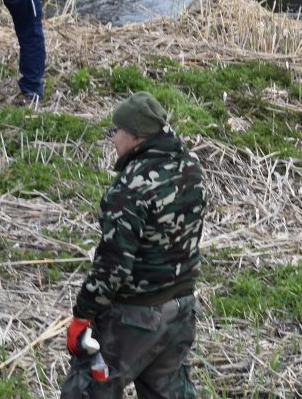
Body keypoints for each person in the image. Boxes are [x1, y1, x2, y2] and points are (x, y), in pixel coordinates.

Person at [62, 92, 207, 399]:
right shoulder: (191, 167)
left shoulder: (131, 187)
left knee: (88, 390)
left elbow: (113, 264)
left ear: (137, 136)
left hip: (136, 316)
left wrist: (82, 314)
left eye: (118, 131)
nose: (114, 139)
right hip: (181, 309)